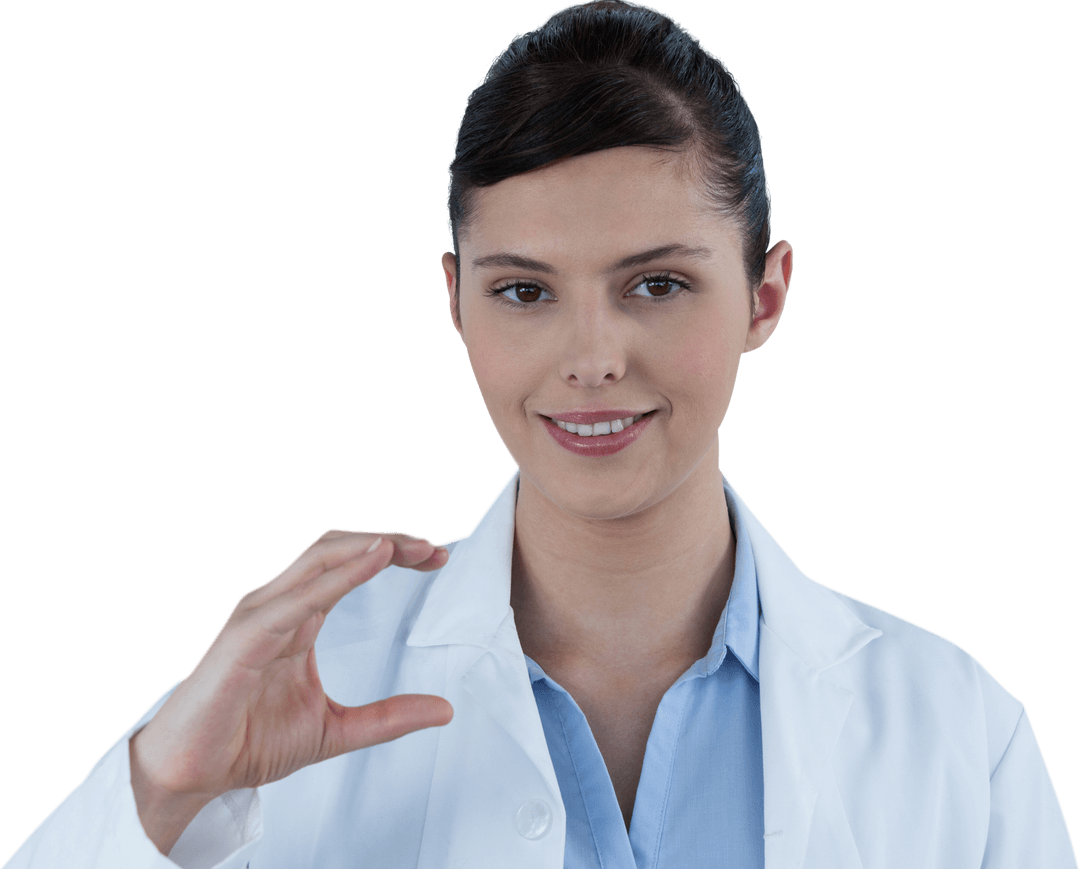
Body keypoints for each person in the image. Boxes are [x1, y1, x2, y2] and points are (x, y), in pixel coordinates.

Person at [6, 1, 1076, 867]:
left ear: (765, 294)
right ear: (455, 301)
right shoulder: (295, 690)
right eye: (524, 291)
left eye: (658, 284)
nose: (592, 356)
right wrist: (163, 788)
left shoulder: (955, 734)